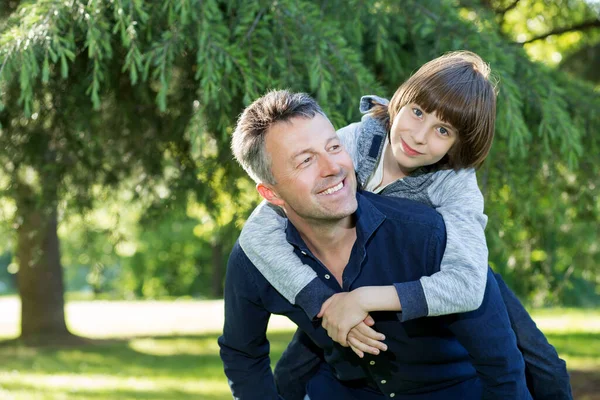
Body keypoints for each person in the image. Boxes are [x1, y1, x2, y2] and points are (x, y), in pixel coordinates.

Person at [238, 52, 572, 399]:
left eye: (443, 130)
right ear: (400, 100)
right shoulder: (354, 143)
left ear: (460, 142)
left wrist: (364, 299)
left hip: (451, 269)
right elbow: (258, 233)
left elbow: (467, 284)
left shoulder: (454, 182)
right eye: (417, 112)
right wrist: (325, 300)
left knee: (542, 362)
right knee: (297, 365)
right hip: (348, 277)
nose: (419, 136)